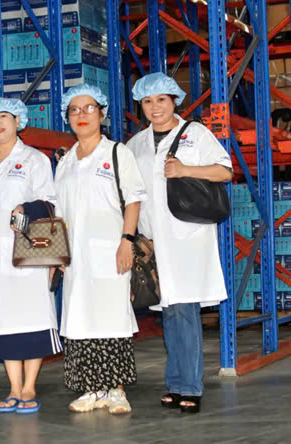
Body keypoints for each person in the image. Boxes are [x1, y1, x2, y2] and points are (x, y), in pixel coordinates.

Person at [127, 72, 232, 414]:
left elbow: (225, 171)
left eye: (161, 99)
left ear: (174, 100)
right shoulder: (136, 144)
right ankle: (175, 383)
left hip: (187, 239)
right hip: (154, 241)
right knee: (169, 313)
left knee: (184, 311)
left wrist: (186, 170)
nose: (154, 107)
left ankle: (189, 386)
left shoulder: (195, 133)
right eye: (147, 101)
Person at [54, 84, 147, 415]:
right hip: (75, 257)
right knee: (79, 317)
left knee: (111, 316)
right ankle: (91, 388)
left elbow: (133, 200)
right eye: (74, 110)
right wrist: (58, 253)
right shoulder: (65, 162)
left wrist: (126, 241)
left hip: (110, 250)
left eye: (89, 108)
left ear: (102, 114)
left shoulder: (117, 153)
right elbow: (60, 214)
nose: (82, 115)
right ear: (67, 117)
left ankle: (116, 389)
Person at [0, 98, 62, 415]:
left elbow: (50, 202)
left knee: (32, 316)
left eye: (4, 117)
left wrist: (26, 209)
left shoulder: (34, 159)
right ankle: (13, 387)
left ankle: (29, 387)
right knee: (3, 321)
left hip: (28, 250)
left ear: (18, 121)